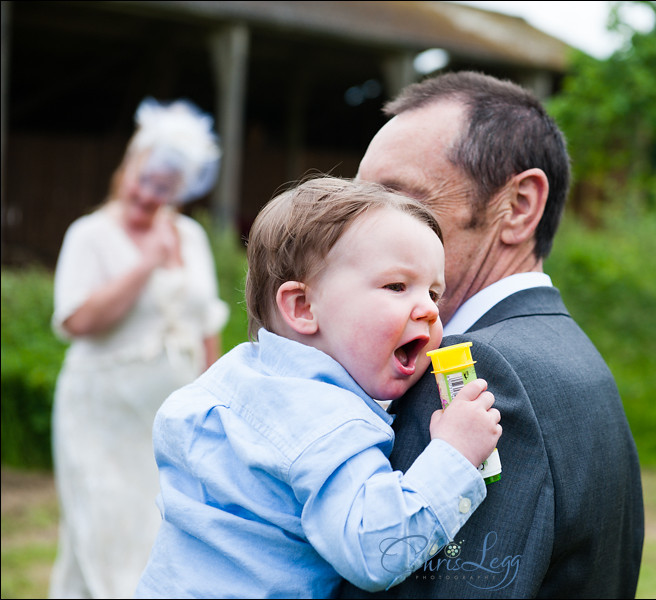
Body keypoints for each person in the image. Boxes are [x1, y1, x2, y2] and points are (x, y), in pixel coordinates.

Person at [345, 71, 645, 598]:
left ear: (519, 206)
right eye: (360, 200)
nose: (358, 227)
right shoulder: (571, 354)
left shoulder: (475, 371)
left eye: (400, 199)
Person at [135, 177, 503, 598]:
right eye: (397, 287)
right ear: (303, 307)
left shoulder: (231, 379)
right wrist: (454, 454)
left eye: (435, 293)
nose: (428, 310)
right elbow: (377, 551)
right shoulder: (328, 420)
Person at [48, 97, 229, 599]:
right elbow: (78, 321)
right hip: (100, 411)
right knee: (103, 517)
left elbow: (207, 319)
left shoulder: (189, 236)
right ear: (128, 166)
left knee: (158, 519)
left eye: (164, 188)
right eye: (143, 179)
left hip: (167, 413)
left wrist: (208, 393)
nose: (148, 194)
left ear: (181, 191)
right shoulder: (89, 235)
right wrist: (144, 264)